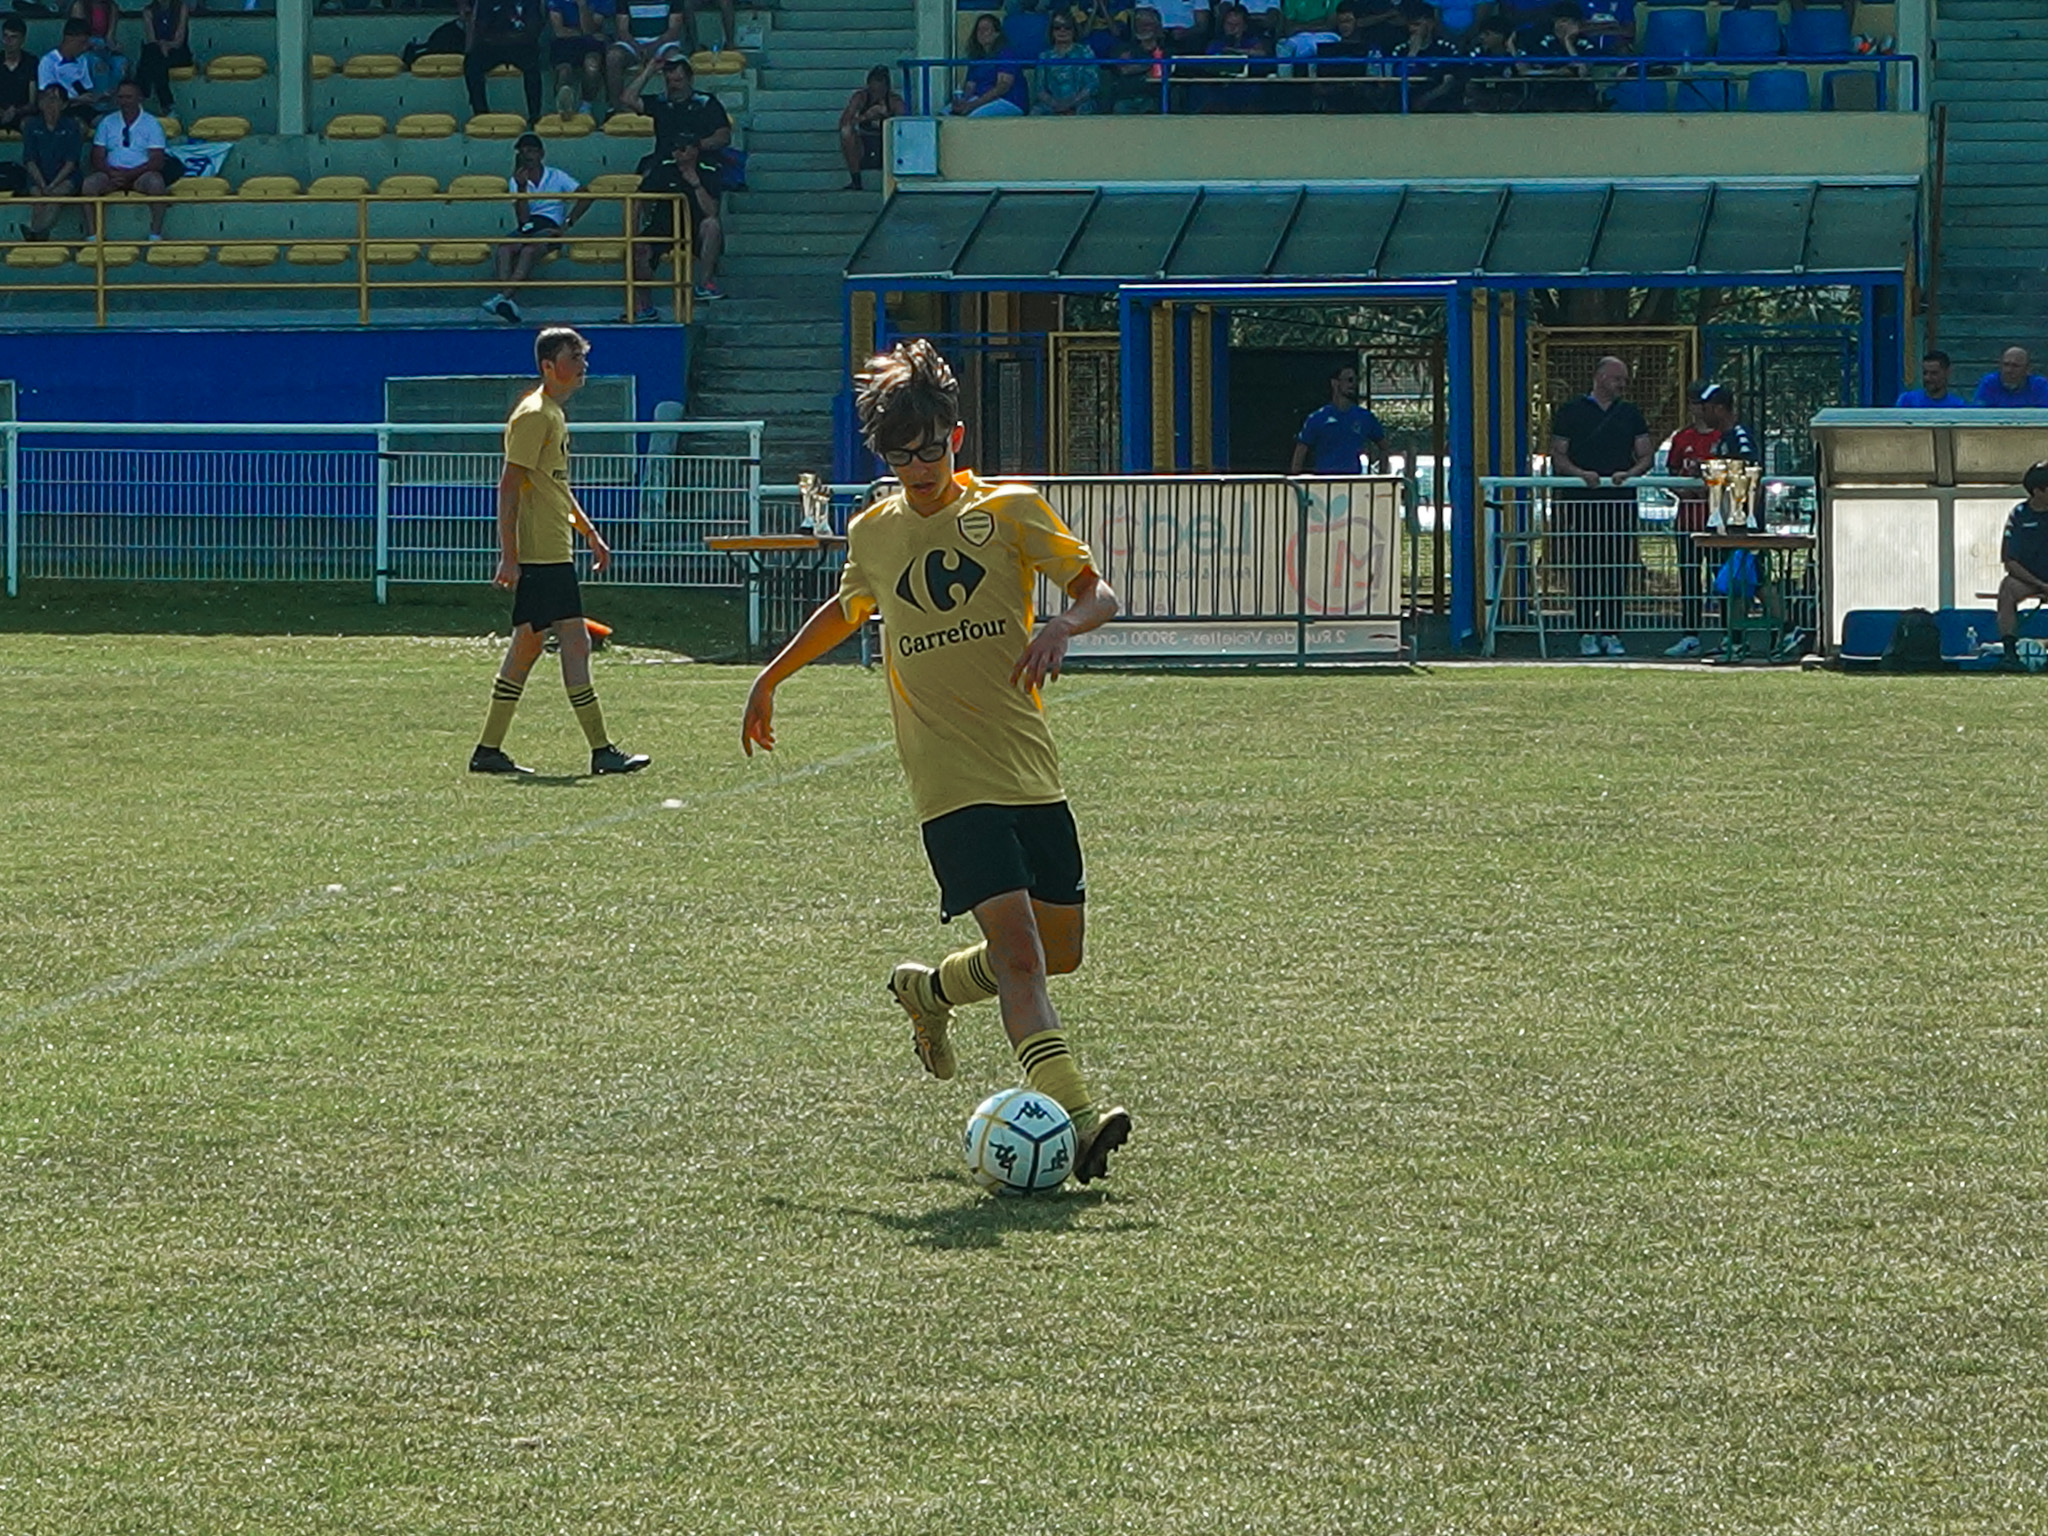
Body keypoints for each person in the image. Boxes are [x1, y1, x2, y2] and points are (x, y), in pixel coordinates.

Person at [739, 339, 1132, 1185]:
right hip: (950, 783)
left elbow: (1095, 591)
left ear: (956, 436)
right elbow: (848, 612)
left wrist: (1064, 625)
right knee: (1025, 957)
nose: (915, 466)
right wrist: (772, 676)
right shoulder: (874, 531)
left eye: (928, 446)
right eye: (896, 453)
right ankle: (1080, 1117)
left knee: (1059, 953)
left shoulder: (1014, 510)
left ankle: (934, 991)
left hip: (1030, 768)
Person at [471, 327, 649, 779]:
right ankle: (601, 750)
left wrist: (589, 532)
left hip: (554, 549)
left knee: (527, 648)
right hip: (540, 554)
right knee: (574, 639)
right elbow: (509, 486)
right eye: (574, 356)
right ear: (549, 365)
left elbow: (554, 486)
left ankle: (488, 750)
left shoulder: (551, 414)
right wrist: (509, 556)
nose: (583, 364)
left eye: (583, 356)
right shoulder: (534, 414)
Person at [1548, 354, 1654, 657]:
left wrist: (1628, 474)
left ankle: (1611, 630)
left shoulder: (1630, 413)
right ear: (1599, 377)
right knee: (1584, 566)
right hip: (1582, 502)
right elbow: (1558, 454)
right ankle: (1585, 631)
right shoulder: (1571, 411)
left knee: (1616, 566)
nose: (1621, 384)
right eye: (1616, 378)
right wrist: (1581, 475)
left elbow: (1645, 455)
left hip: (1619, 502)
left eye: (1624, 380)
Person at [482, 133, 588, 323]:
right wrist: (522, 189)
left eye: (531, 150)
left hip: (550, 226)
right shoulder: (516, 180)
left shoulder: (557, 175)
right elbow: (522, 219)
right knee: (504, 248)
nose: (527, 155)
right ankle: (507, 299)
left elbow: (586, 195)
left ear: (541, 153)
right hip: (529, 226)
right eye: (523, 152)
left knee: (529, 251)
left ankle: (502, 298)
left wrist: (567, 224)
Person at [624, 131, 723, 317]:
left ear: (694, 150)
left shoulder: (709, 170)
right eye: (674, 149)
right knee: (638, 248)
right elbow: (639, 198)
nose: (678, 153)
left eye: (682, 148)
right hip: (663, 225)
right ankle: (645, 306)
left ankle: (705, 284)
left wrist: (695, 184)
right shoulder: (663, 169)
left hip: (694, 225)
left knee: (712, 225)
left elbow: (711, 211)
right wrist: (633, 231)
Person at [1661, 382, 1721, 658]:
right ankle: (1690, 634)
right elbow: (1672, 471)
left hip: (1716, 521)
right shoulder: (1682, 437)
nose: (1698, 409)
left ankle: (1728, 633)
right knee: (1689, 578)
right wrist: (1682, 490)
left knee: (1720, 578)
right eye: (1694, 403)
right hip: (1687, 520)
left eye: (1703, 403)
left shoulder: (1722, 437)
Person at [82, 78, 170, 239]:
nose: (124, 101)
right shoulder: (107, 122)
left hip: (141, 176)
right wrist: (111, 173)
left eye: (129, 97)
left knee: (156, 183)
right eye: (121, 97)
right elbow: (97, 156)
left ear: (139, 98)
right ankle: (93, 235)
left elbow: (157, 160)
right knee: (89, 184)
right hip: (111, 175)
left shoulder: (152, 123)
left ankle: (155, 234)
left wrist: (130, 174)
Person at [629, 46, 730, 166]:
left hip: (700, 160)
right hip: (665, 161)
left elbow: (723, 137)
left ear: (690, 79)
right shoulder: (660, 101)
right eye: (669, 82)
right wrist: (649, 71)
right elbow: (628, 99)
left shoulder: (706, 102)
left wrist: (695, 145)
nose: (673, 86)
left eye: (677, 81)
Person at [1994, 461, 2048, 667]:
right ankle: (2010, 654)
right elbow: (2010, 561)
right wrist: (2042, 585)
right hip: (2031, 579)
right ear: (2038, 491)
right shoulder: (2020, 514)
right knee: (2007, 588)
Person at [1290, 362, 1387, 474]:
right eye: (1349, 380)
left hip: (1353, 483)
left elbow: (1384, 447)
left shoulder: (1365, 417)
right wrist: (1296, 484)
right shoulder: (1317, 418)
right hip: (1324, 484)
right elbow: (1300, 451)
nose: (1353, 384)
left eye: (1356, 380)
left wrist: (1383, 477)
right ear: (1335, 383)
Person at [464, 0, 546, 124]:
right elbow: (481, 30)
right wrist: (509, 37)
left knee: (533, 66)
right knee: (471, 64)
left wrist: (505, 37)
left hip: (522, 46)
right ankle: (480, 113)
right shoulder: (486, 2)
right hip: (493, 46)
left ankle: (535, 115)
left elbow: (533, 30)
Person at [20, 81, 84, 240]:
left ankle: (34, 234)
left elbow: (71, 163)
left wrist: (52, 185)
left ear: (63, 104)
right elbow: (30, 160)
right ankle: (39, 236)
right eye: (45, 99)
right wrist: (42, 184)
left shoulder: (72, 126)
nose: (49, 104)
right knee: (38, 198)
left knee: (55, 196)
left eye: (54, 99)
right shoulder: (32, 125)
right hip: (39, 175)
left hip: (66, 177)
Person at [606, 0, 681, 114]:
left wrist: (654, 46)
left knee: (674, 58)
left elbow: (673, 30)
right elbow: (622, 30)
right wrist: (637, 47)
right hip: (633, 42)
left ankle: (675, 107)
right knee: (613, 57)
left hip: (663, 42)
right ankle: (617, 108)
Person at [839, 64, 905, 190]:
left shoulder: (895, 101)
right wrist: (865, 116)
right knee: (846, 132)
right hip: (864, 144)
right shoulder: (860, 97)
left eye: (880, 91)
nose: (876, 96)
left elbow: (905, 126)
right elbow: (844, 122)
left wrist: (888, 118)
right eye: (873, 91)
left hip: (886, 145)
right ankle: (856, 179)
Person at [951, 13, 1028, 116]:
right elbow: (970, 85)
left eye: (986, 29)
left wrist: (973, 105)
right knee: (946, 113)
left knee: (973, 116)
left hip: (1009, 101)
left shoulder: (1006, 54)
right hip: (981, 100)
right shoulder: (977, 56)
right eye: (979, 30)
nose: (981, 33)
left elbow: (1003, 86)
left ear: (997, 33)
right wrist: (963, 102)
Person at [544, 0, 610, 119]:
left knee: (592, 67)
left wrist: (582, 6)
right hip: (563, 44)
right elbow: (559, 32)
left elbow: (589, 30)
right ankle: (563, 108)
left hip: (591, 45)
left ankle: (586, 106)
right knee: (564, 71)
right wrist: (585, 33)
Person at [1103, 6, 1170, 113]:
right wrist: (1151, 65)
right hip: (1126, 99)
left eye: (1147, 24)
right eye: (1138, 24)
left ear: (1158, 27)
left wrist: (1137, 66)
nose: (1142, 27)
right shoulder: (1122, 48)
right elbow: (1124, 69)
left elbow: (1167, 71)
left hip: (1155, 100)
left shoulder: (1167, 50)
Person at [39, 18, 106, 123]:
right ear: (69, 39)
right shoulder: (48, 61)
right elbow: (46, 97)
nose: (84, 48)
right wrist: (77, 99)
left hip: (82, 107)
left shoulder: (82, 60)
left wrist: (99, 96)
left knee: (103, 120)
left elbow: (85, 89)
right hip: (59, 109)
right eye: (82, 43)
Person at [1033, 11, 1102, 113]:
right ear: (1051, 31)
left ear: (1074, 30)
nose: (1062, 30)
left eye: (1067, 27)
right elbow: (1040, 89)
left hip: (1081, 103)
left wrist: (1070, 104)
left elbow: (1092, 85)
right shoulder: (1044, 56)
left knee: (1085, 109)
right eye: (1057, 27)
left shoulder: (1085, 52)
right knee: (1036, 112)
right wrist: (1057, 105)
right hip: (1052, 104)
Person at [131, 0, 190, 117]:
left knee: (150, 61)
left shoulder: (182, 7)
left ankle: (141, 94)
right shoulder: (148, 11)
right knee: (153, 56)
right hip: (158, 51)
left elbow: (179, 40)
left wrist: (167, 45)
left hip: (178, 52)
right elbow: (151, 39)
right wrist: (162, 45)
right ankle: (167, 104)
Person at [67, 0, 126, 95]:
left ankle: (112, 97)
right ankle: (100, 97)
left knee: (121, 64)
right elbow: (77, 36)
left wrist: (115, 46)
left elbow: (110, 37)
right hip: (83, 50)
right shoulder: (80, 6)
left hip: (103, 48)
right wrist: (93, 43)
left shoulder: (111, 7)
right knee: (99, 65)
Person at [1973, 346, 2048, 410]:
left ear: (2028, 369)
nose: (2008, 370)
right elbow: (1979, 412)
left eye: (2015, 366)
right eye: (2006, 364)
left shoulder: (2039, 385)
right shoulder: (1989, 383)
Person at [1895, 349, 1969, 409]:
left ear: (1947, 372)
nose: (1927, 378)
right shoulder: (1907, 401)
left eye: (1934, 373)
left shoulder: (1957, 406)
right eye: (1925, 373)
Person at [0, 18, 37, 132]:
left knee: (29, 125)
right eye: (5, 36)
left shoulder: (31, 62)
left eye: (13, 37)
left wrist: (15, 111)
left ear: (22, 40)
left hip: (21, 113)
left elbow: (32, 102)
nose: (8, 41)